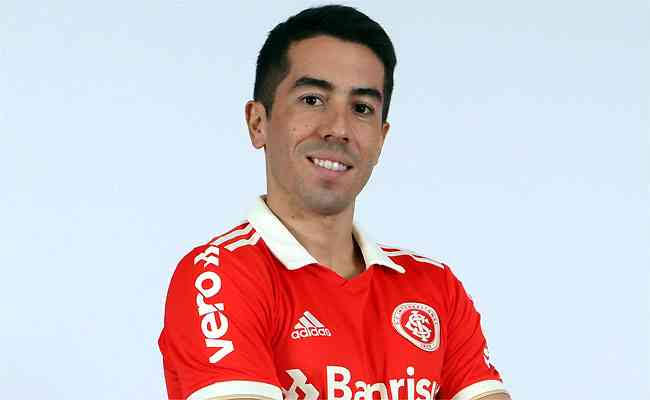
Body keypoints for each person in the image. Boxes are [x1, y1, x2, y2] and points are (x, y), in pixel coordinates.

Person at [158, 5, 511, 400]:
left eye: (361, 108)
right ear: (258, 123)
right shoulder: (219, 276)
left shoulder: (435, 287)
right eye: (312, 99)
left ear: (381, 139)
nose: (338, 128)